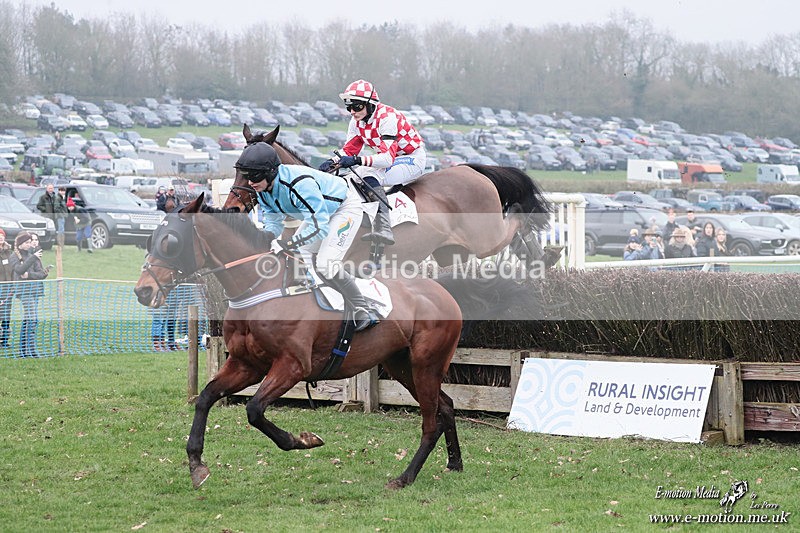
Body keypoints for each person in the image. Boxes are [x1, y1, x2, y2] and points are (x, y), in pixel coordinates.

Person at [236, 141, 380, 331]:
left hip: (344, 209)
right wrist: (266, 240)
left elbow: (319, 227)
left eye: (253, 176)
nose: (250, 182)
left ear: (270, 173)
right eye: (246, 177)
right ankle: (320, 304)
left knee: (326, 264)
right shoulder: (262, 190)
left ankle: (363, 308)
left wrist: (287, 243)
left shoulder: (299, 184)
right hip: (319, 213)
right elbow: (273, 223)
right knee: (300, 253)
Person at [318, 79, 427, 246]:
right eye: (349, 107)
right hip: (393, 158)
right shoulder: (356, 122)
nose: (352, 112)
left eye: (356, 106)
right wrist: (331, 162)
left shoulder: (387, 118)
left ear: (370, 104)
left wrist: (356, 160)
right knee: (351, 178)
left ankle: (384, 226)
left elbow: (386, 159)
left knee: (367, 172)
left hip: (412, 158)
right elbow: (349, 150)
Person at [10, 232, 49, 357]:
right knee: (32, 319)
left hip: (35, 291)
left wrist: (29, 275)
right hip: (24, 291)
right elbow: (19, 270)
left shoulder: (33, 255)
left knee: (31, 320)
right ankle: (28, 350)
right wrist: (33, 258)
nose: (29, 244)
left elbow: (41, 274)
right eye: (27, 242)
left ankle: (27, 350)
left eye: (30, 242)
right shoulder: (14, 256)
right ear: (20, 244)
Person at [0, 229, 14, 348]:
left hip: (8, 287)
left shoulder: (9, 252)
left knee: (6, 314)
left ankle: (4, 340)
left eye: (2, 236)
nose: (0, 238)